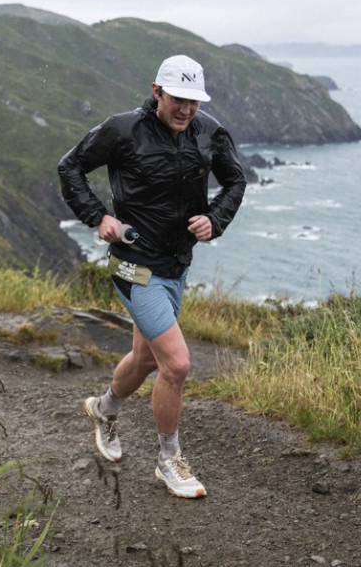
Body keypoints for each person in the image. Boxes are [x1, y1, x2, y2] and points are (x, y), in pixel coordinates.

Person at [57, 54, 246, 498]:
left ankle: (103, 410)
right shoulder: (122, 130)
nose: (186, 111)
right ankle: (169, 460)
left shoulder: (209, 131)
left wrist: (214, 220)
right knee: (177, 364)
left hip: (177, 264)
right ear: (157, 91)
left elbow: (235, 181)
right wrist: (97, 216)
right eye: (178, 100)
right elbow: (71, 166)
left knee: (146, 359)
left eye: (194, 103)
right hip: (133, 263)